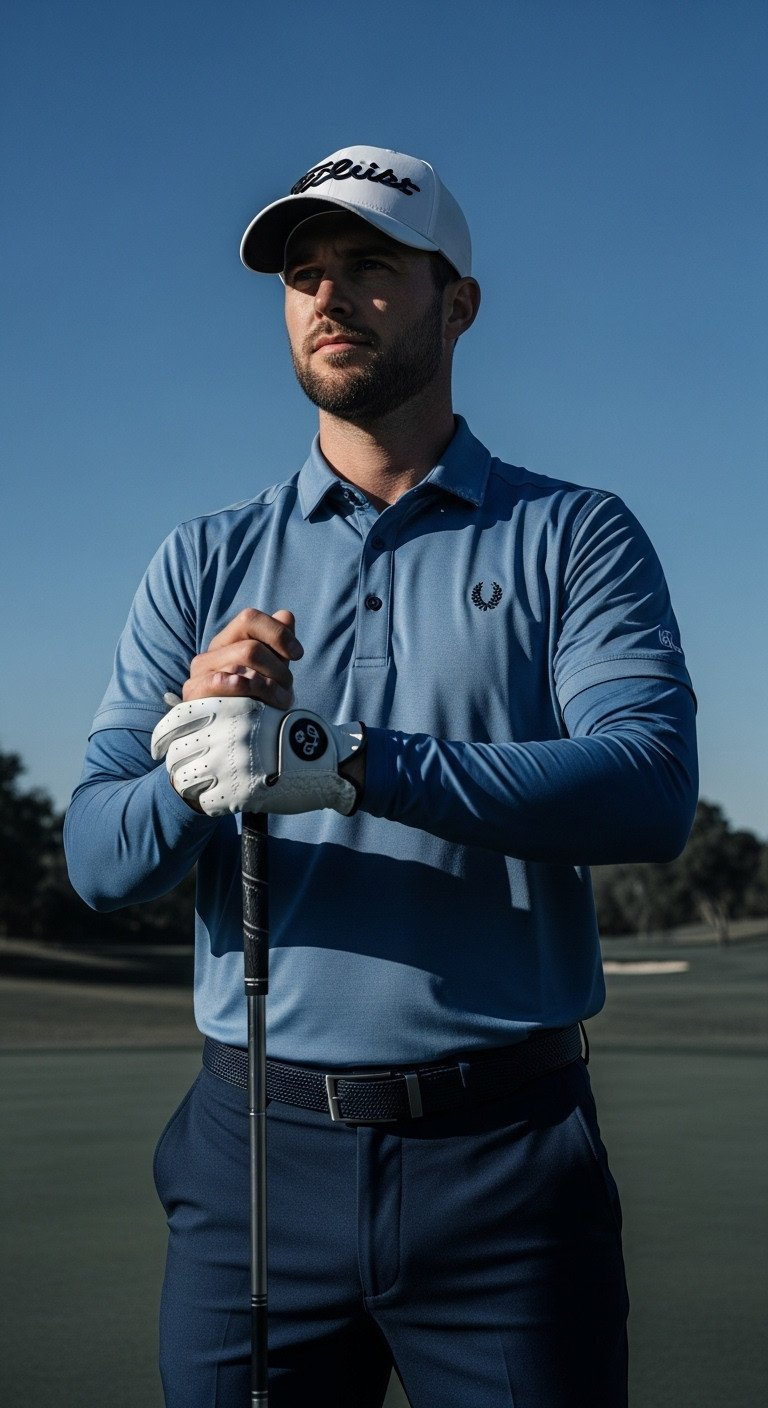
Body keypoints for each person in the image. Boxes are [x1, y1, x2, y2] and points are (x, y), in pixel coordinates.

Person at [65, 144, 698, 1408]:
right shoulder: (202, 558)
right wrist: (202, 754)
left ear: (456, 302)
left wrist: (338, 758)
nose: (327, 296)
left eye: (369, 266)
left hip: (507, 1161)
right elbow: (98, 857)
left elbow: (647, 788)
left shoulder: (573, 533)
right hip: (254, 1158)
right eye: (303, 273)